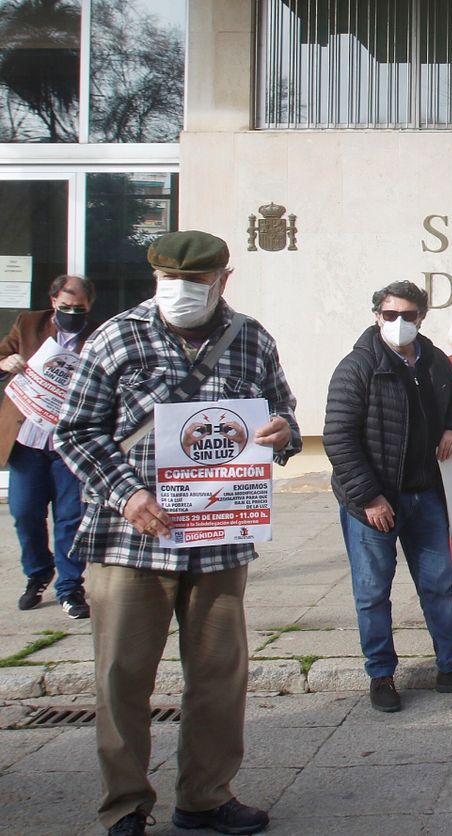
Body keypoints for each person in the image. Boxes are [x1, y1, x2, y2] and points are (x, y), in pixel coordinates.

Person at [55, 231, 300, 836]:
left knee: (220, 673)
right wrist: (128, 494)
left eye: (197, 282)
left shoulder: (251, 339)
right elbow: (76, 431)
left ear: (224, 278)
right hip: (131, 539)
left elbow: (285, 411)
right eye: (171, 281)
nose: (184, 293)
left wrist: (283, 430)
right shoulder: (117, 337)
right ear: (154, 279)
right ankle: (126, 806)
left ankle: (206, 796)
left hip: (219, 537)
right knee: (123, 677)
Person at [326, 280, 452, 714]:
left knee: (440, 585)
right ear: (377, 316)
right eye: (391, 315)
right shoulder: (358, 367)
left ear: (422, 317)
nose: (400, 323)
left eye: (409, 315)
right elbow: (338, 437)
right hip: (372, 503)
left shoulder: (435, 361)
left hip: (424, 495)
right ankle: (381, 674)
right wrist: (369, 498)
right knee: (372, 591)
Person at [1, 274, 101, 618]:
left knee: (71, 517)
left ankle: (70, 587)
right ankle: (37, 575)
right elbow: (0, 356)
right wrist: (6, 363)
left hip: (69, 444)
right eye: (66, 306)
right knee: (25, 512)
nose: (72, 312)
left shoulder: (98, 336)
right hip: (28, 439)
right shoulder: (29, 323)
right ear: (53, 300)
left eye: (80, 308)